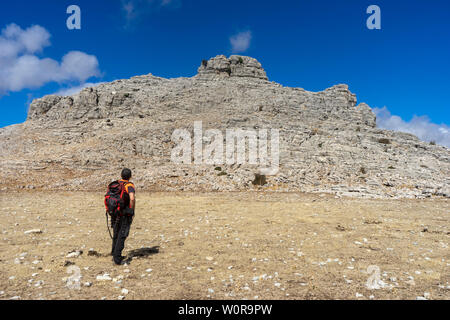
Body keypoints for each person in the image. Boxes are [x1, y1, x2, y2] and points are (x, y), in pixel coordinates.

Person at [111, 168, 136, 265]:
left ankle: (113, 253)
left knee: (116, 232)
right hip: (124, 212)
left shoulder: (116, 183)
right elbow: (132, 198)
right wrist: (131, 210)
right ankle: (117, 259)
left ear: (121, 175)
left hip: (114, 211)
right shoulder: (129, 185)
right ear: (130, 176)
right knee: (122, 234)